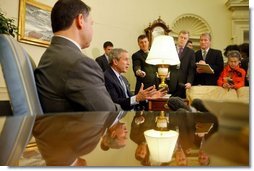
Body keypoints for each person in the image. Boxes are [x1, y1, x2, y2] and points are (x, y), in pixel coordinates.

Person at [34, 0, 121, 113]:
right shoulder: (79, 63)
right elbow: (108, 113)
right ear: (80, 20)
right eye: (91, 23)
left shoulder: (51, 54)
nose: (92, 29)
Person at [167, 30, 196, 98]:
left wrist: (189, 82)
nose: (182, 39)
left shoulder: (191, 52)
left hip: (183, 84)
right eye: (181, 37)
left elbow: (191, 69)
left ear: (187, 40)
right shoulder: (170, 49)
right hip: (170, 82)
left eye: (185, 38)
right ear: (178, 37)